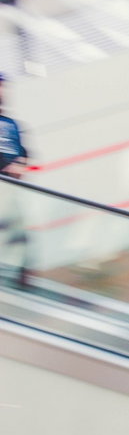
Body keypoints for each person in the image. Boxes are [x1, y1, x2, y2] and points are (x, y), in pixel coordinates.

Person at [0, 71, 30, 289]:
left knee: (17, 231)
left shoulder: (11, 124)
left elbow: (23, 152)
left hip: (9, 190)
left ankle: (21, 276)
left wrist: (20, 163)